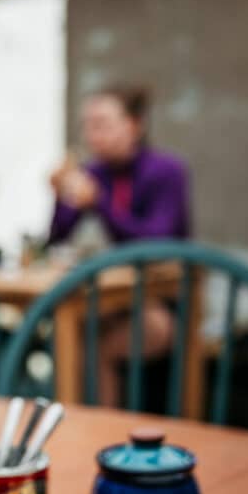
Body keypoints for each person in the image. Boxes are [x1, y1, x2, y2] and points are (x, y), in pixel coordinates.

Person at [48, 85, 192, 406]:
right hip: (111, 299)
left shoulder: (166, 172)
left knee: (94, 345)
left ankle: (101, 430)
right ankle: (77, 423)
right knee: (66, 329)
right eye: (88, 125)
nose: (92, 134)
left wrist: (100, 202)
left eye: (102, 124)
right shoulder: (92, 171)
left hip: (158, 301)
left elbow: (156, 243)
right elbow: (57, 237)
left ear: (133, 125)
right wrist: (60, 195)